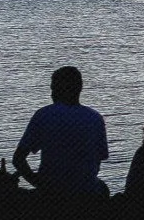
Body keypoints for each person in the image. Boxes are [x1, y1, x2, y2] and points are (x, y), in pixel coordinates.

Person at [12, 65, 110, 197]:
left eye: (53, 88)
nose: (51, 93)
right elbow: (100, 157)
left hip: (52, 193)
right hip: (86, 193)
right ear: (79, 88)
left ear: (59, 89)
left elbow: (18, 159)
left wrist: (37, 183)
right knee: (104, 189)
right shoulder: (96, 118)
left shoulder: (44, 115)